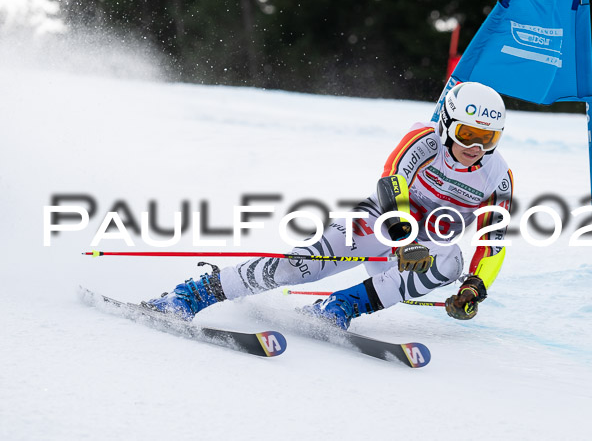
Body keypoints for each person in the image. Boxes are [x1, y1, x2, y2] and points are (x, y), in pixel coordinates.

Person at [143, 82, 514, 330]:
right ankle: (194, 294)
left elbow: (492, 241)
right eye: (468, 134)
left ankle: (339, 308)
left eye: (488, 138)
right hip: (383, 225)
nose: (476, 147)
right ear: (448, 124)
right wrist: (406, 240)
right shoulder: (424, 140)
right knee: (300, 267)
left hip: (423, 249)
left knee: (450, 262)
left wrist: (475, 288)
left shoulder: (497, 177)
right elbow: (391, 183)